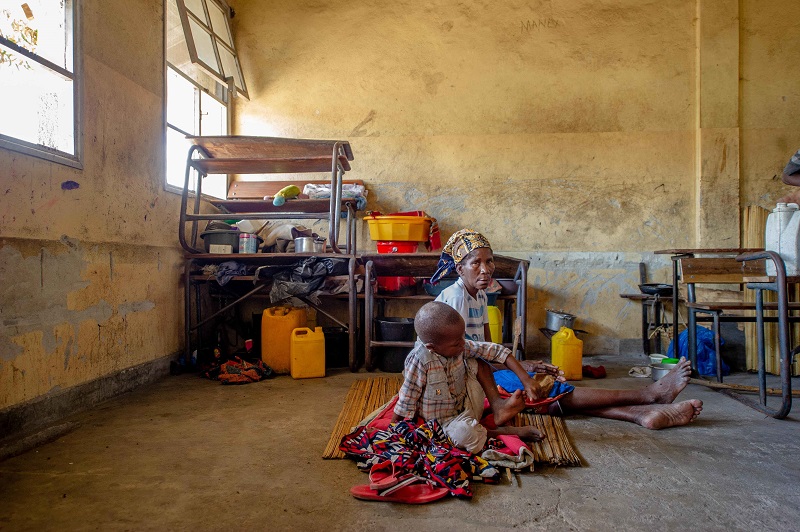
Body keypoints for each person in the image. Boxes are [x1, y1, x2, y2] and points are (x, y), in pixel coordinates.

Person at [392, 302, 703, 454]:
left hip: (471, 390)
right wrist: (525, 374)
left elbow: (487, 350)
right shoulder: (448, 305)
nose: (486, 270)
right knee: (549, 392)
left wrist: (527, 368)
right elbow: (407, 406)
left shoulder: (475, 305)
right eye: (477, 263)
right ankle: (646, 399)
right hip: (455, 405)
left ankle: (643, 411)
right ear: (459, 267)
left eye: (488, 262)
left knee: (540, 389)